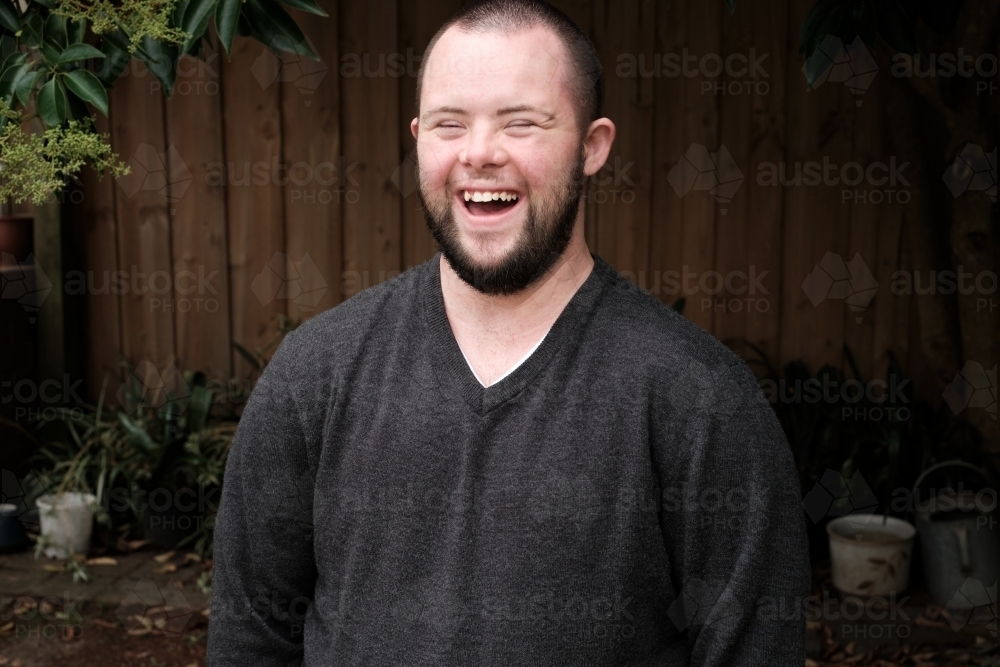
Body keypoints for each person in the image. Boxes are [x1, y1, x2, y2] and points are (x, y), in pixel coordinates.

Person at [206, 1, 809, 665]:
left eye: (522, 123)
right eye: (449, 124)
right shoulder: (313, 375)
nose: (480, 153)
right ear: (417, 138)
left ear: (592, 146)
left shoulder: (700, 400)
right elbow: (250, 640)